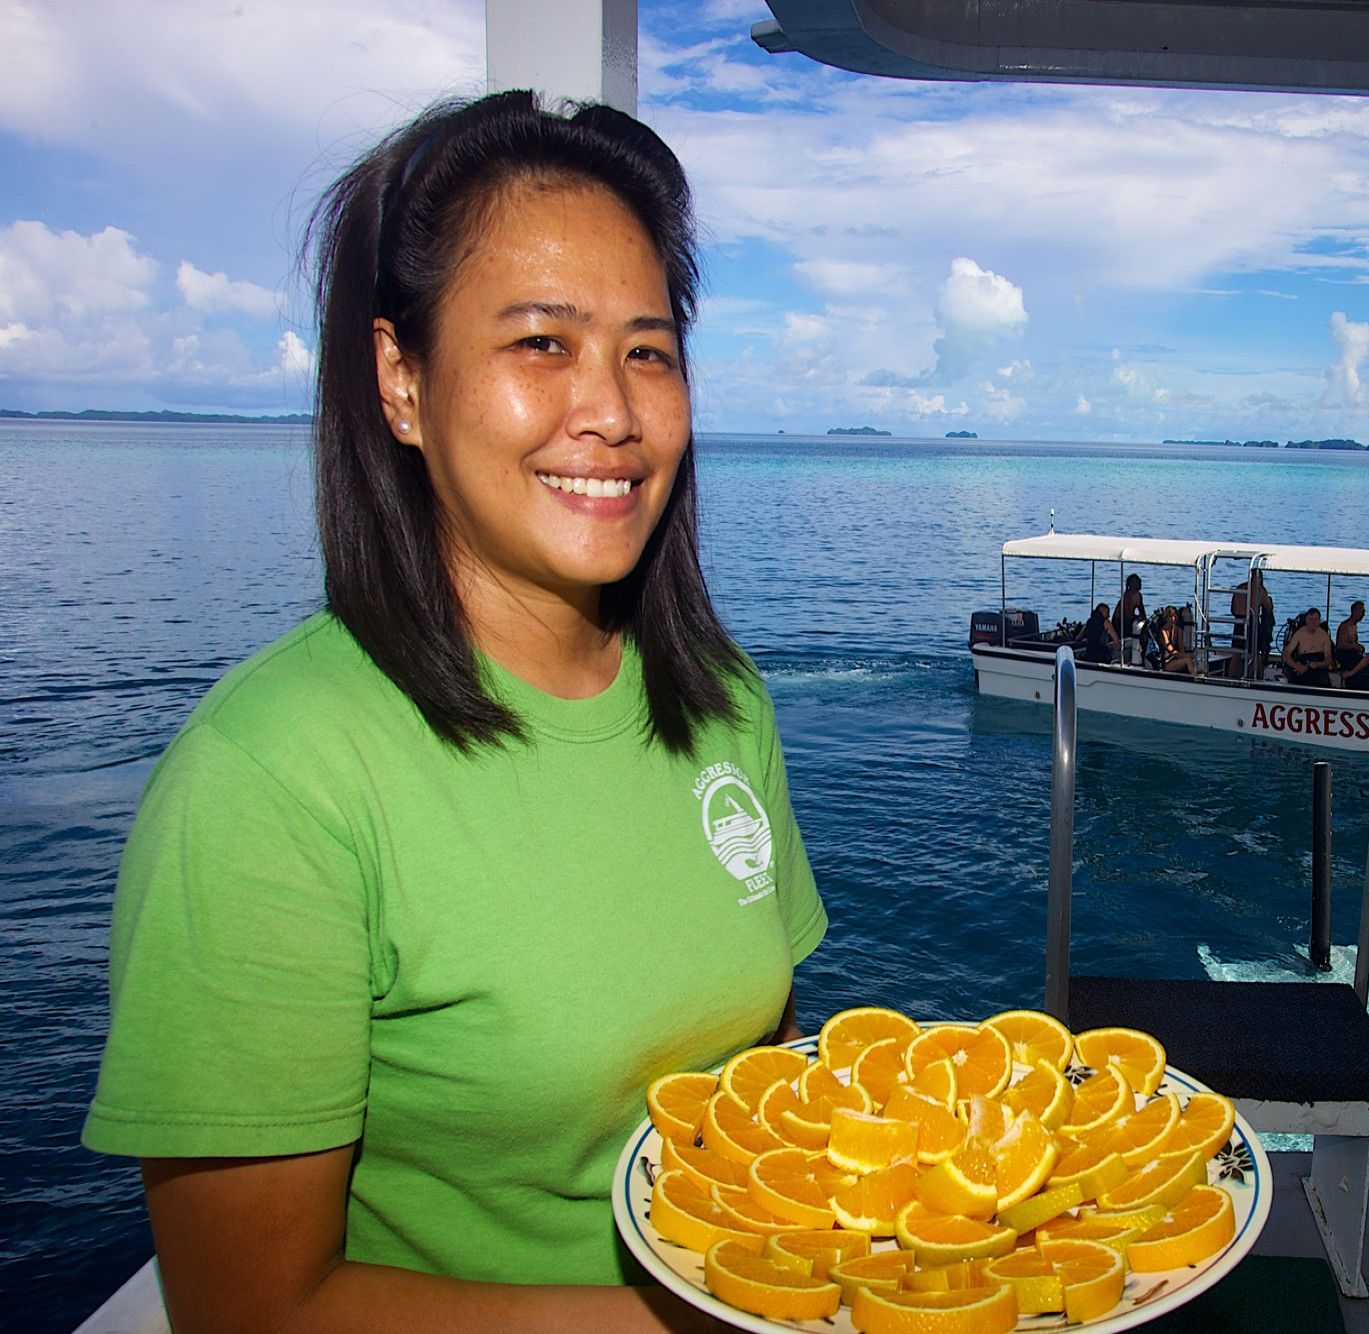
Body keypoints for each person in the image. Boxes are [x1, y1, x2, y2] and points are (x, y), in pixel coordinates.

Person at [82, 92, 825, 1331]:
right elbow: (254, 1308)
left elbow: (762, 1080)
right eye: (542, 342)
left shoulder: (722, 699)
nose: (613, 411)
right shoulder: (269, 779)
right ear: (402, 379)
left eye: (648, 350)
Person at [1229, 570, 1274, 679]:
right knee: (1256, 653)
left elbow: (1233, 609)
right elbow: (1269, 608)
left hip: (1239, 621)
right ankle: (1257, 678)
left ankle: (1230, 678)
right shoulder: (1260, 590)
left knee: (1236, 653)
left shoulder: (1240, 587)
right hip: (1252, 621)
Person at [1281, 607, 1335, 687]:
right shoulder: (1300, 634)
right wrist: (1297, 667)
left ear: (1319, 621)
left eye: (1316, 619)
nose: (1313, 622)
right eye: (1311, 619)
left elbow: (1328, 660)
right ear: (1306, 620)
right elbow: (1286, 655)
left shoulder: (1324, 636)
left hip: (1319, 667)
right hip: (1303, 665)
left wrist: (1317, 664)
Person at [1156, 605, 1199, 675]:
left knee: (1193, 659)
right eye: (1170, 617)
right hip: (1167, 662)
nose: (1173, 619)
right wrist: (1187, 656)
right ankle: (1195, 676)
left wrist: (1188, 655)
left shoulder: (1178, 629)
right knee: (1188, 659)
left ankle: (1200, 673)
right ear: (1166, 618)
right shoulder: (1163, 631)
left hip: (1176, 659)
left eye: (1175, 616)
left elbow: (1181, 648)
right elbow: (1171, 651)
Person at [1116, 573, 1147, 666]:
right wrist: (1136, 618)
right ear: (1130, 584)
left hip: (1130, 620)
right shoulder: (1127, 596)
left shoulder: (1139, 596)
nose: (1136, 585)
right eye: (1134, 583)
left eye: (1137, 582)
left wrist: (1144, 619)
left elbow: (1142, 610)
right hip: (1120, 622)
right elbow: (1127, 615)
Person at [1333, 599, 1366, 672]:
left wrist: (1359, 646)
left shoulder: (1354, 626)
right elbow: (1340, 645)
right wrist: (1354, 646)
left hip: (1352, 656)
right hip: (1345, 658)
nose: (1363, 614)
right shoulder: (1345, 626)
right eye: (1362, 612)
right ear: (1355, 611)